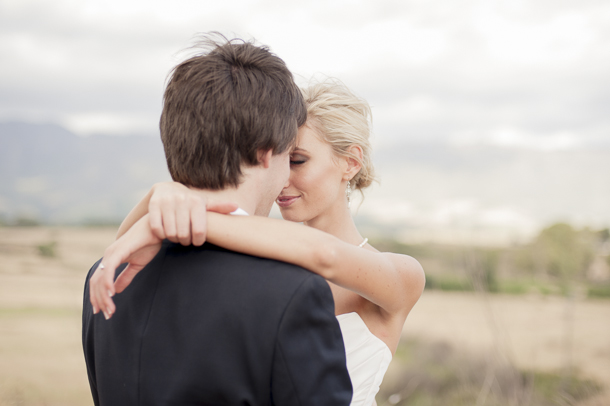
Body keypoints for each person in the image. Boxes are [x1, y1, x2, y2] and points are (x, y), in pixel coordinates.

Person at [92, 79, 426, 406]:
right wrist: (161, 195)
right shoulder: (253, 259)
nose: (282, 178)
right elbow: (126, 252)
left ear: (350, 162)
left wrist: (171, 215)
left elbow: (326, 256)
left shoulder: (402, 275)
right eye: (280, 159)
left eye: (297, 161)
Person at [82, 35, 353, 406]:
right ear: (265, 154)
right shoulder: (291, 296)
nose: (286, 177)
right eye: (289, 156)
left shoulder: (106, 276)